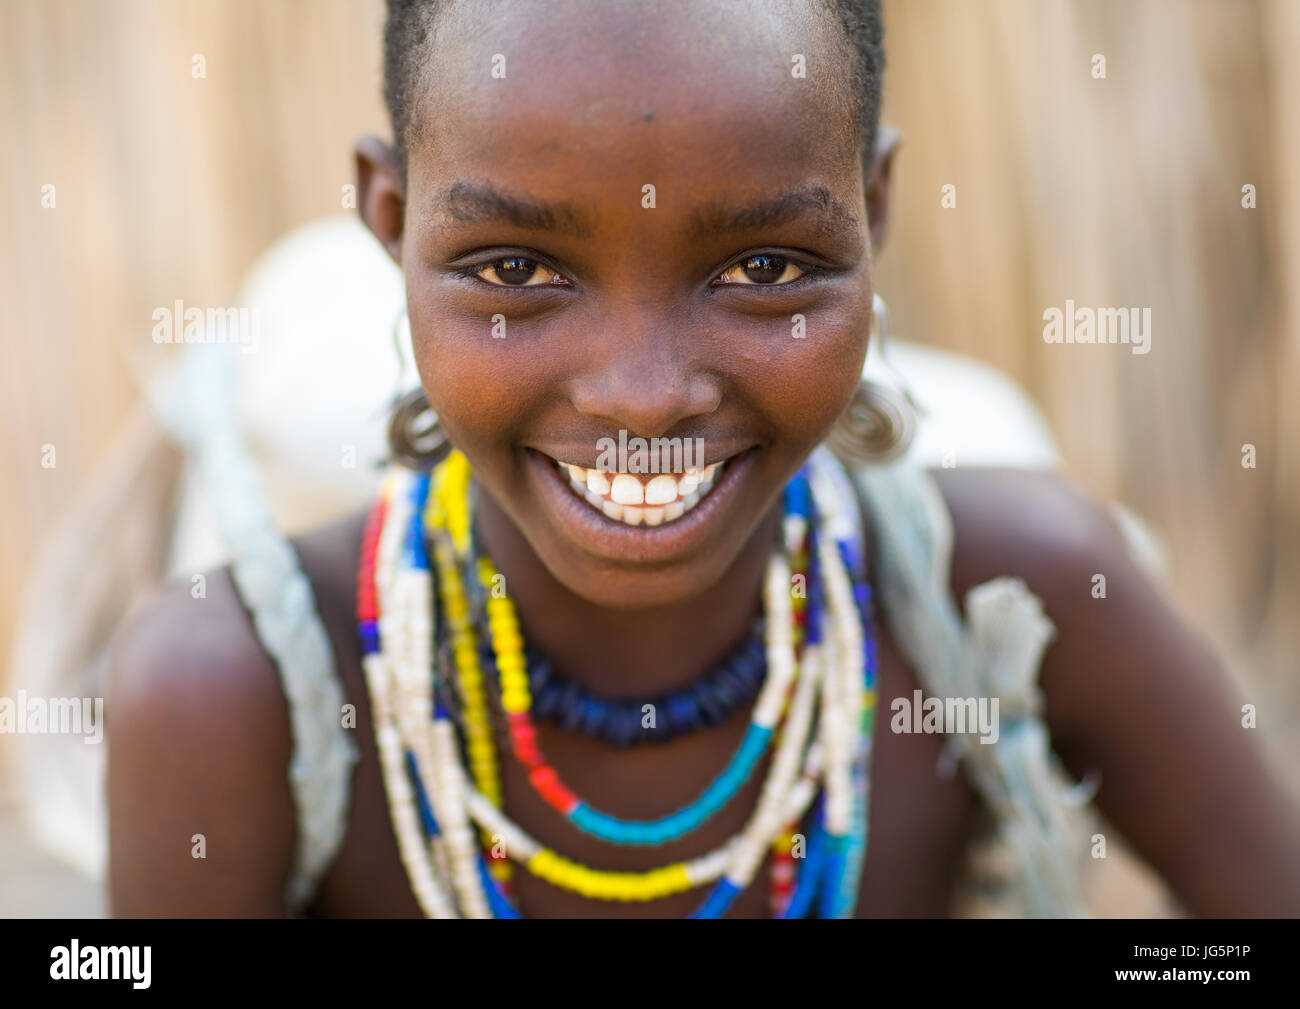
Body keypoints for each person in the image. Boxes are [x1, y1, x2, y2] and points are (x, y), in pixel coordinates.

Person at [106, 0, 1300, 918]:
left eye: (765, 268)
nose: (642, 394)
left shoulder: (1010, 601)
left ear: (872, 211)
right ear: (390, 218)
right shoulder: (239, 693)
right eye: (517, 270)